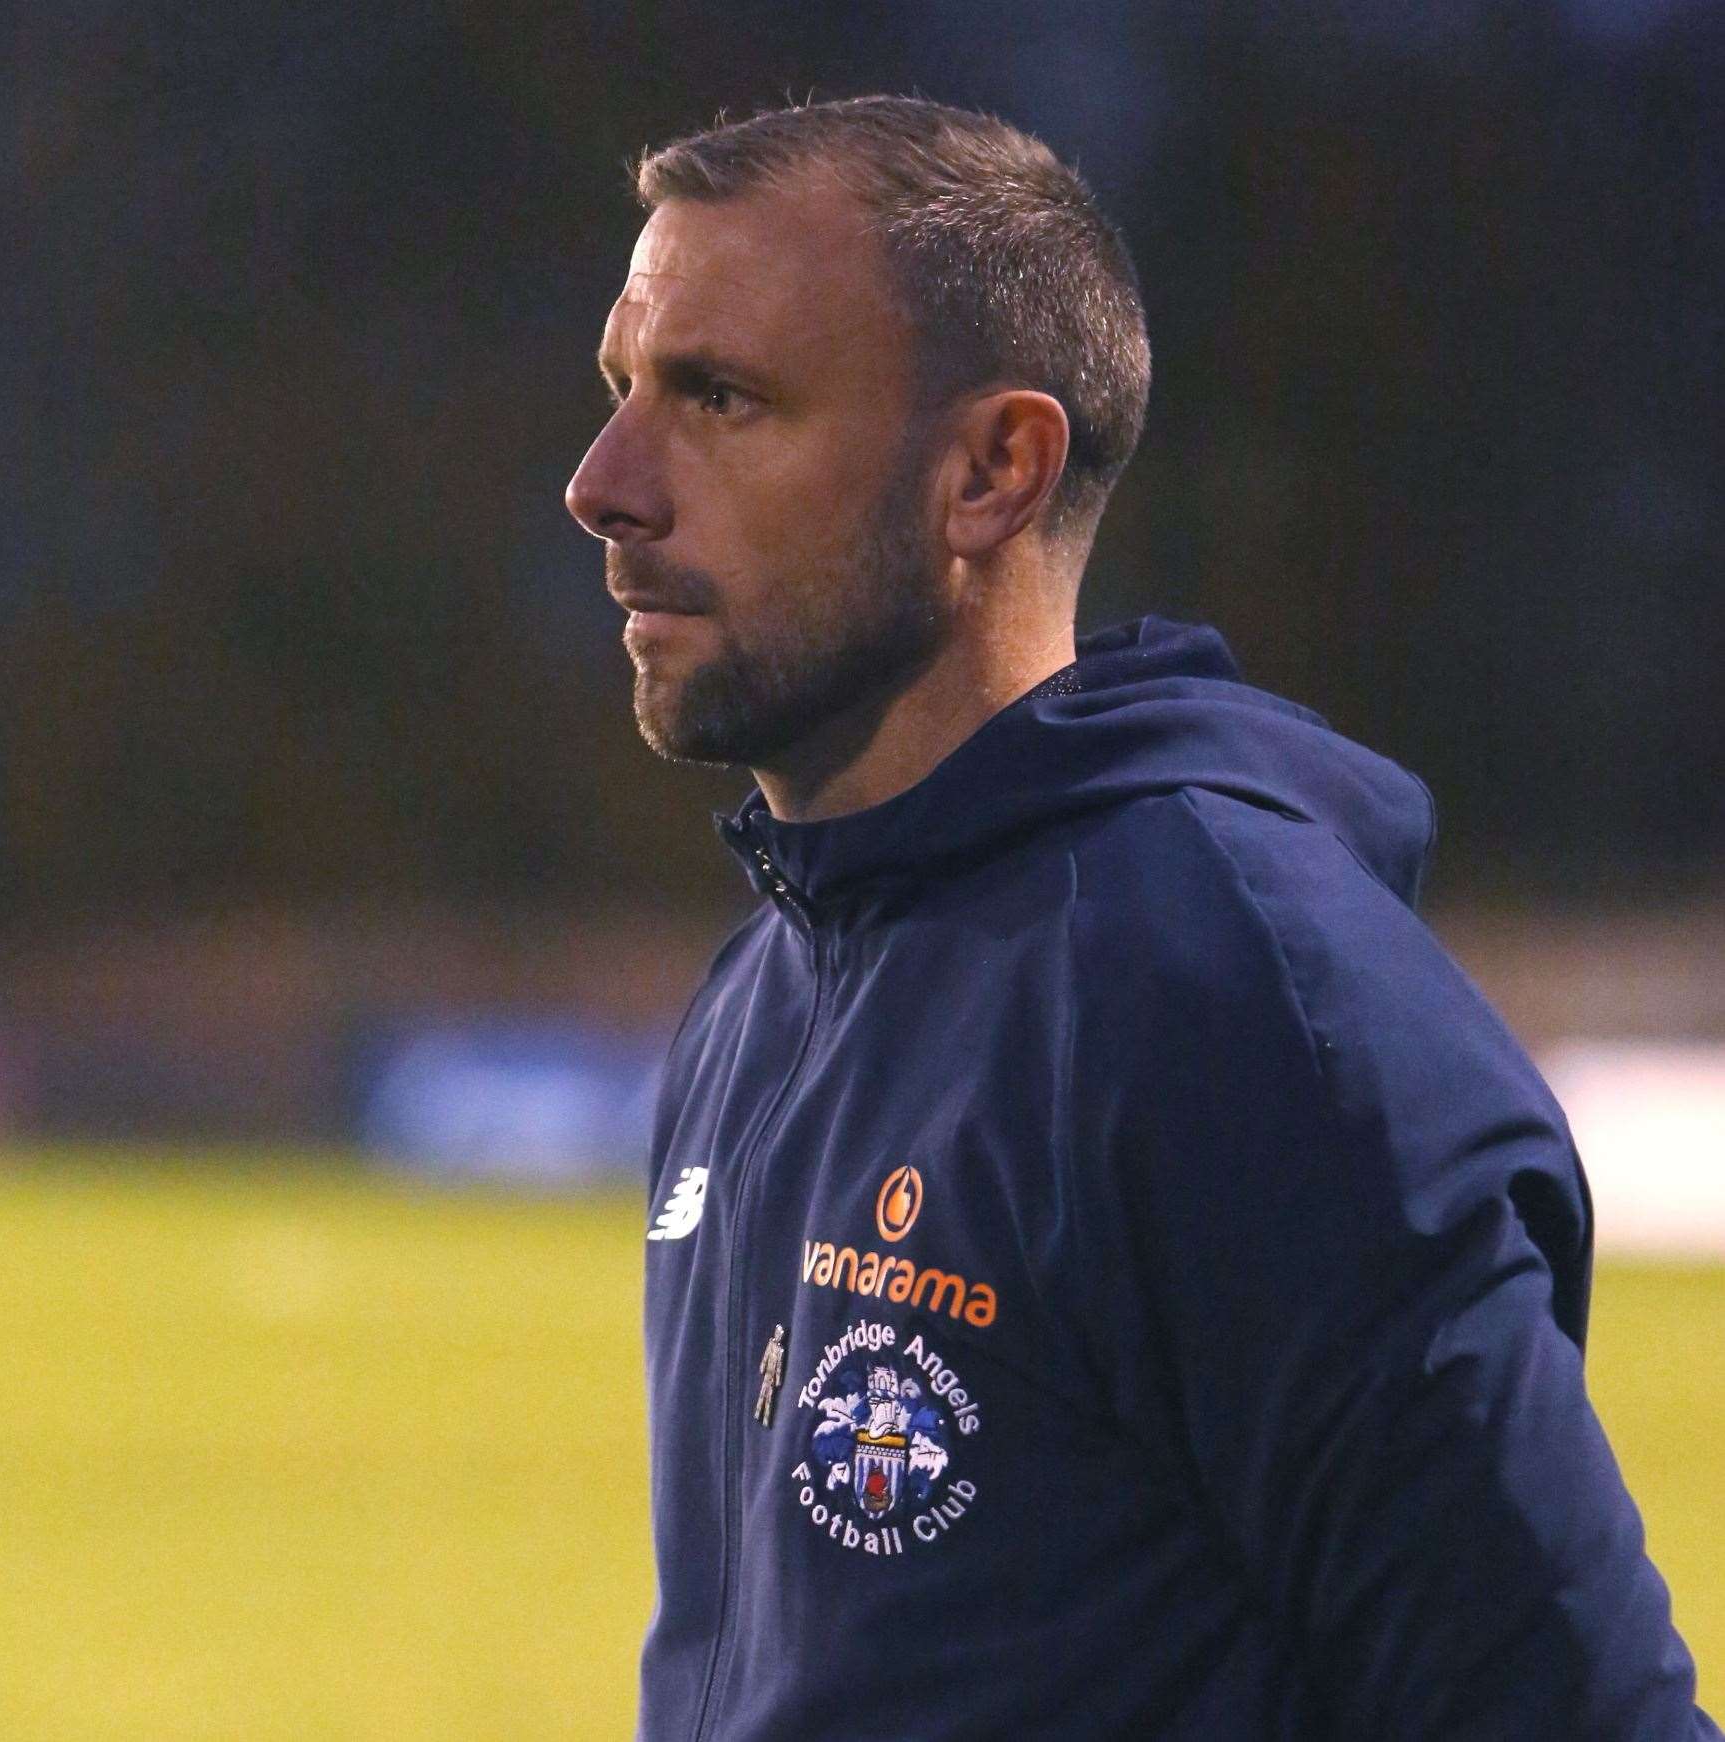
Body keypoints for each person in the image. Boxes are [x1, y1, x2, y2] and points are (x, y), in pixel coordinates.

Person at [563, 94, 1717, 1740]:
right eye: (622, 390)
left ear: (990, 471)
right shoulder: (766, 983)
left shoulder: (1243, 1006)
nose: (604, 484)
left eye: (721, 398)